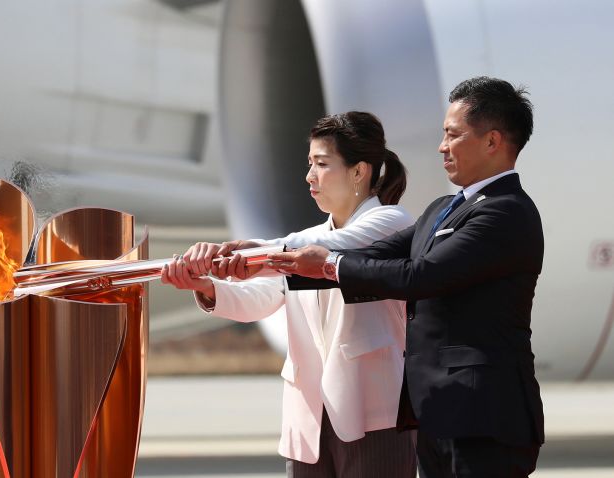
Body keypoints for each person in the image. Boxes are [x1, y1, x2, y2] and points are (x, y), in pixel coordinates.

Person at [264, 77, 545, 477]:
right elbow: (374, 255)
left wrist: (327, 265)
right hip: (436, 414)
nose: (441, 146)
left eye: (452, 135)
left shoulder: (505, 212)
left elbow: (422, 276)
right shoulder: (442, 209)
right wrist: (279, 262)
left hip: (486, 416)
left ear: (492, 141)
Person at [162, 112, 417, 477]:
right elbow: (261, 298)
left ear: (359, 171)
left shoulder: (392, 223)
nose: (309, 176)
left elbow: (332, 247)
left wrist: (249, 251)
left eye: (321, 164)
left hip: (374, 413)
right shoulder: (301, 239)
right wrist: (205, 285)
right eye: (309, 164)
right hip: (308, 417)